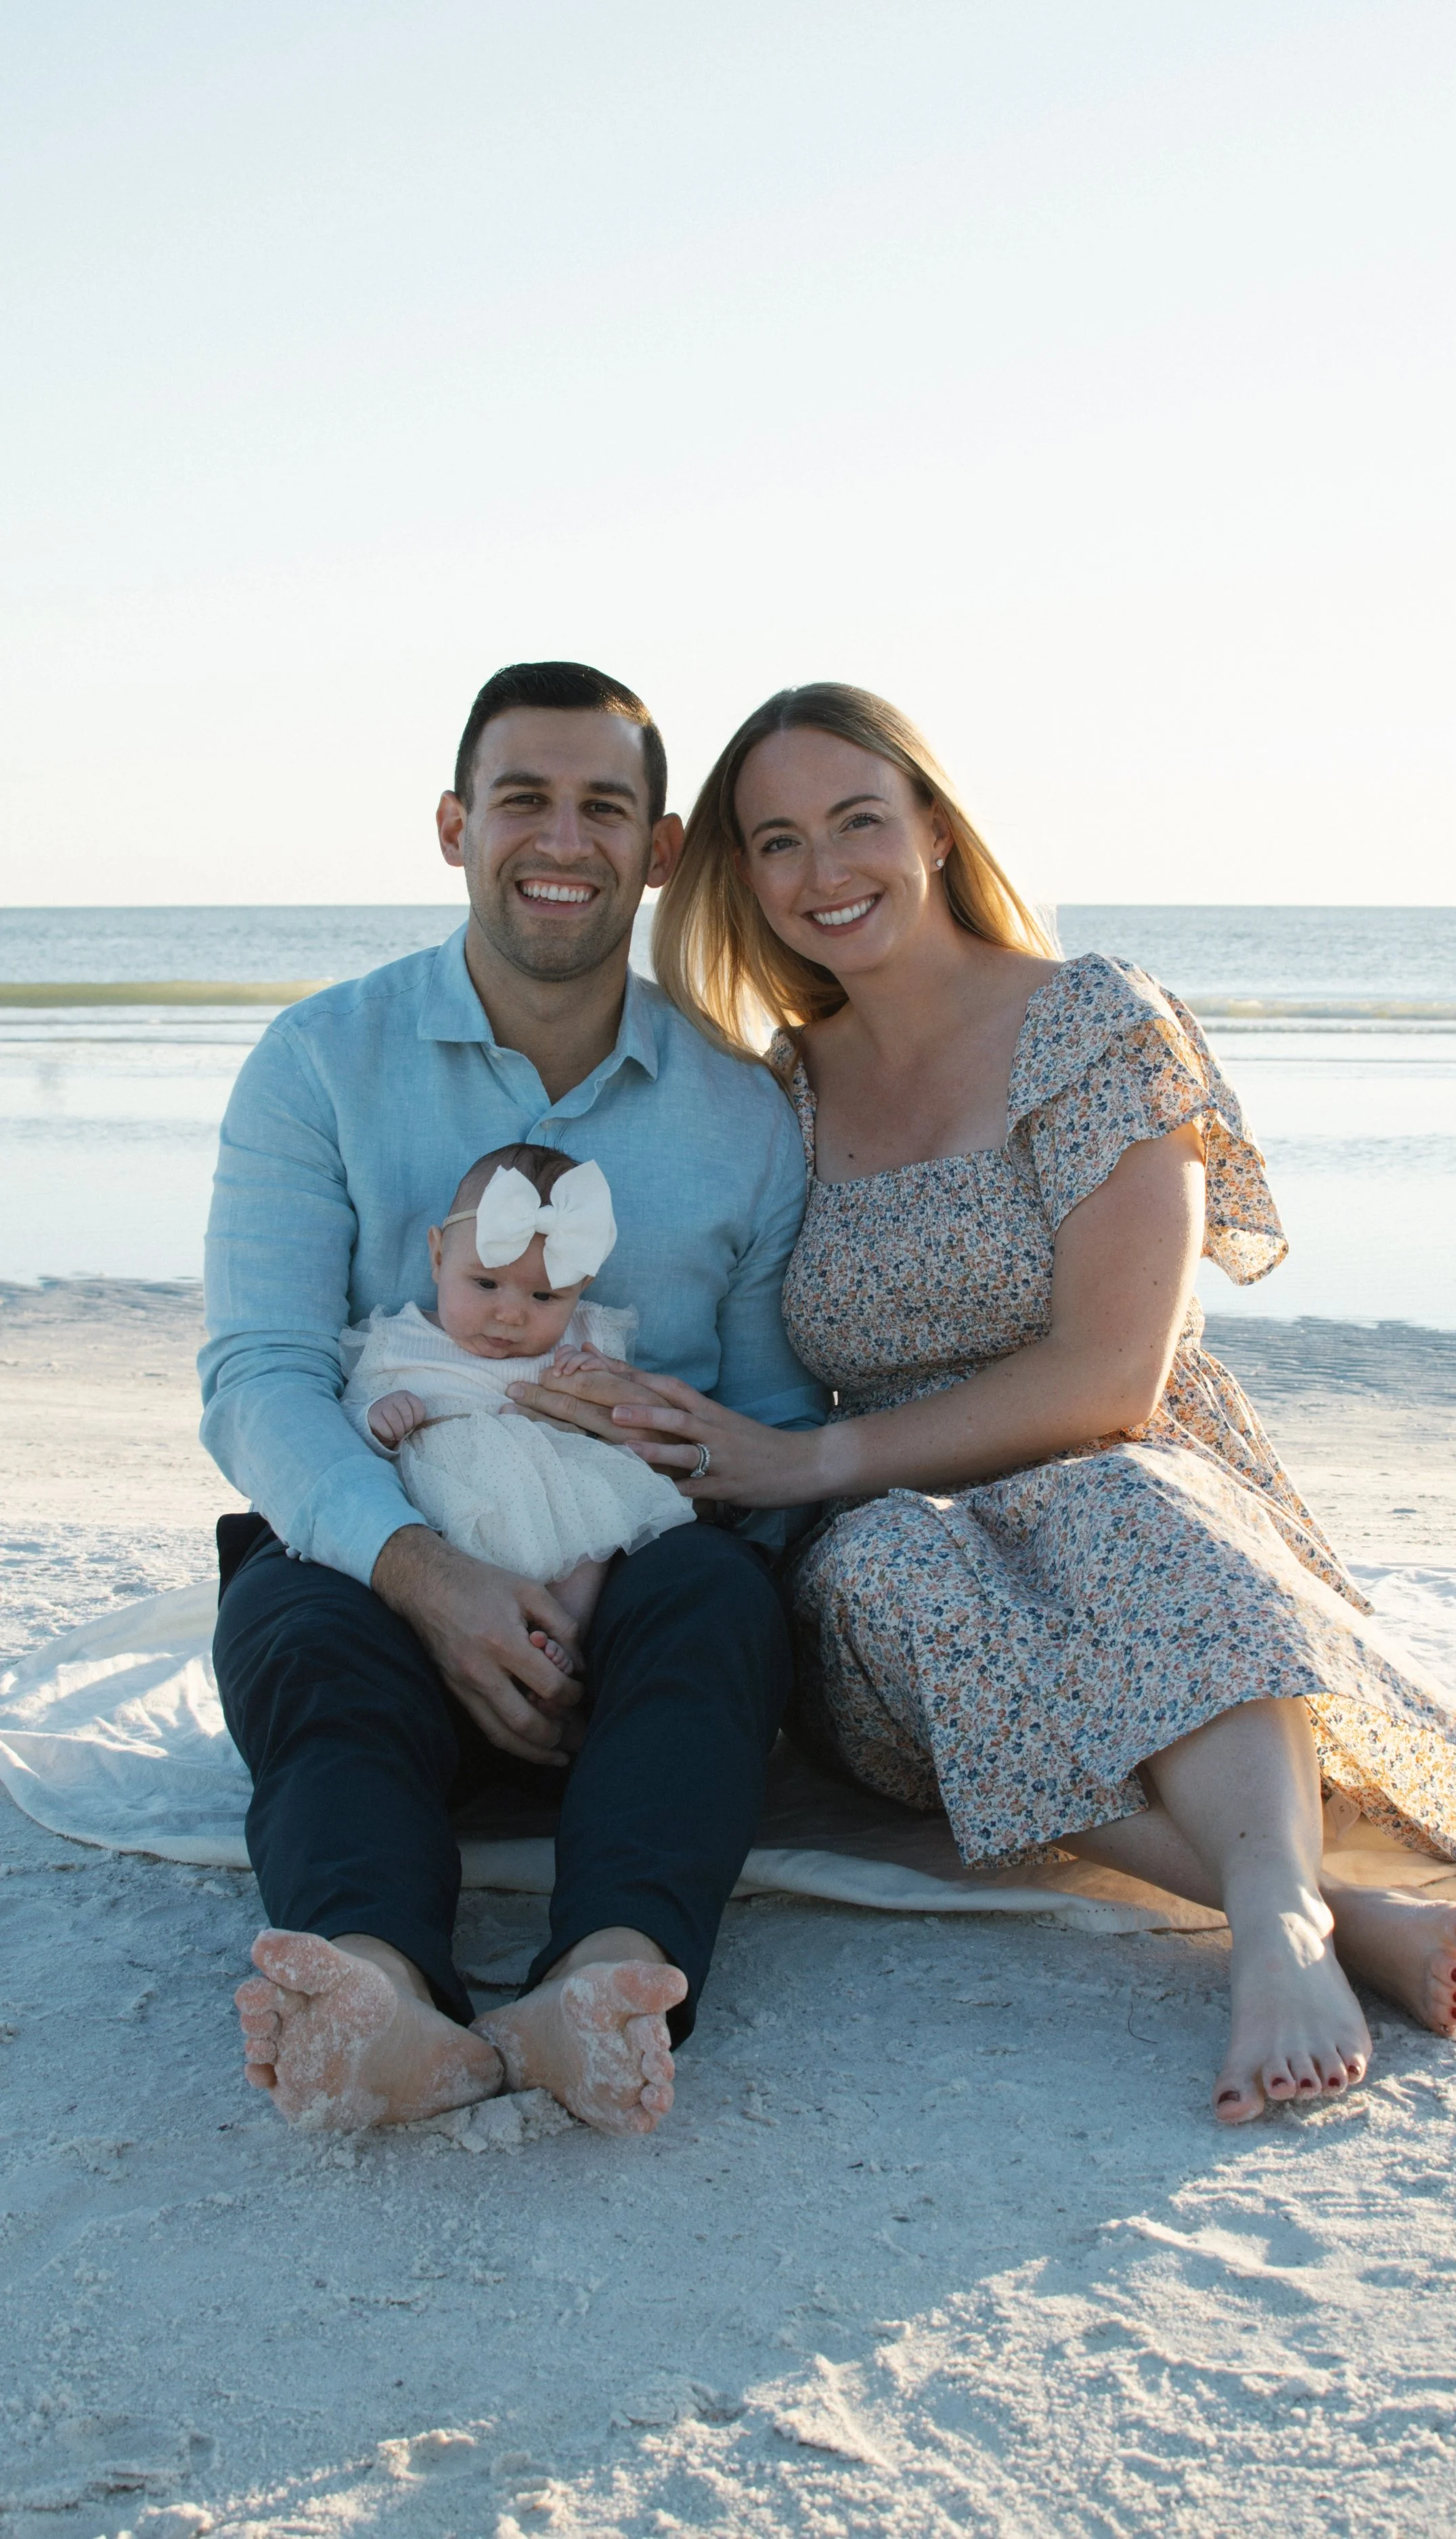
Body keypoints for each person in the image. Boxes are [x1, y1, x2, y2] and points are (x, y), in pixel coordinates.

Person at [550, 679, 1456, 2126]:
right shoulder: (780, 1089)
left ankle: (1274, 1922)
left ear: (936, 832)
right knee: (883, 1570)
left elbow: (1112, 1378)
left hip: (1121, 1472)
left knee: (1116, 1499)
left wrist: (812, 1456)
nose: (821, 873)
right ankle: (1337, 1905)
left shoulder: (1092, 1023)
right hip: (893, 1542)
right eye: (776, 842)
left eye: (855, 821)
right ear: (741, 875)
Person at [202, 661, 822, 2135]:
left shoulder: (741, 1112)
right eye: (521, 800)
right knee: (295, 1617)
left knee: (726, 1605)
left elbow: (772, 1424)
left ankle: (599, 1984)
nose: (562, 839)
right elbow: (258, 1377)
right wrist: (432, 1580)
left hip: (628, 1621)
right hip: (386, 1588)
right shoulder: (317, 1063)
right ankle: (372, 1991)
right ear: (452, 826)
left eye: (604, 806)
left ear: (661, 851)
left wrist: (609, 1573)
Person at [340, 1140, 692, 1662]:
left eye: (544, 1297)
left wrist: (593, 1373)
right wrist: (377, 1420)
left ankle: (564, 1633)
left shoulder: (583, 1335)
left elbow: (626, 1402)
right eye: (485, 1283)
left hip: (556, 1496)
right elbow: (347, 1413)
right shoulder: (399, 1340)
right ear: (438, 1257)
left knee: (590, 1546)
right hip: (449, 1506)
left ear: (580, 1288)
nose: (510, 1315)